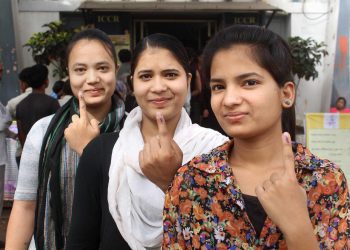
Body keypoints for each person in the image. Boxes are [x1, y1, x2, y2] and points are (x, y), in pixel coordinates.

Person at [163, 25, 350, 249]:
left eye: (249, 82)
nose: (229, 99)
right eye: (219, 86)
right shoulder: (190, 181)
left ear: (287, 94)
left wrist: (297, 227)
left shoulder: (326, 181)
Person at [66, 33, 228, 250]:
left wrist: (172, 182)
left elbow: (226, 236)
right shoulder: (101, 152)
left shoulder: (217, 150)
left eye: (170, 75)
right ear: (132, 84)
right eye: (146, 76)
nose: (158, 86)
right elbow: (81, 242)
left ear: (188, 81)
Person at [6, 28, 125, 250]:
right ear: (68, 74)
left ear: (115, 71)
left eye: (102, 68)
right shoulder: (43, 131)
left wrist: (90, 150)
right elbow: (25, 207)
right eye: (80, 69)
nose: (92, 79)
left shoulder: (134, 131)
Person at [16, 64, 60, 147]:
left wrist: (25, 149)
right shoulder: (52, 102)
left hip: (28, 151)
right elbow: (58, 128)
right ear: (46, 81)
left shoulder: (20, 105)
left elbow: (19, 132)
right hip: (48, 151)